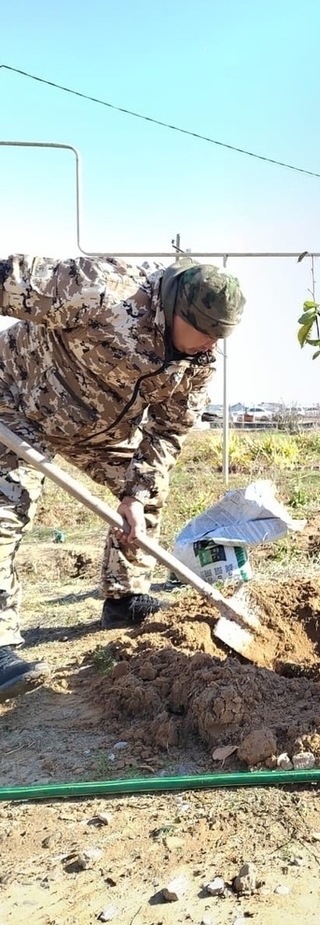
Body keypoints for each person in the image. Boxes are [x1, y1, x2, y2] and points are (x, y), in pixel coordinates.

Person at [0, 254, 246, 702]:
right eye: (205, 332)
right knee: (4, 509)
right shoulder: (101, 290)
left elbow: (168, 431)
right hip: (17, 402)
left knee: (146, 493)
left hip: (100, 429)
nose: (210, 344)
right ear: (177, 311)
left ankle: (124, 599)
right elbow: (9, 279)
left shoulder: (198, 361)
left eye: (219, 336)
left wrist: (134, 493)